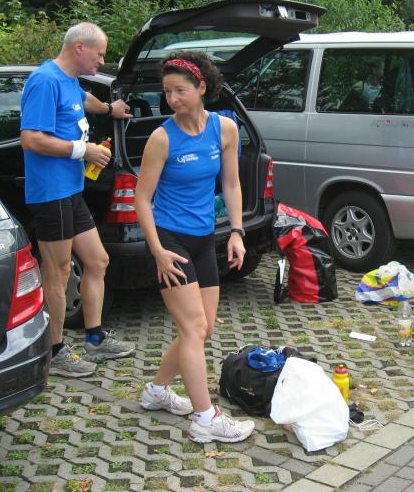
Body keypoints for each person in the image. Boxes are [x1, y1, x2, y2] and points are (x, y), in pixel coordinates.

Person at [134, 51, 255, 444]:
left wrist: (236, 232)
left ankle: (157, 391)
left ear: (202, 87)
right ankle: (205, 419)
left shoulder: (224, 129)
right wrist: (156, 250)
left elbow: (231, 184)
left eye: (180, 91)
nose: (172, 99)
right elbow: (141, 199)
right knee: (192, 329)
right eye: (167, 92)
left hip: (205, 239)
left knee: (204, 328)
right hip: (170, 241)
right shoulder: (162, 138)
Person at [20, 22, 135, 378]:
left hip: (71, 191)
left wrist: (110, 109)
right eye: (99, 54)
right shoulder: (44, 81)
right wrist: (82, 150)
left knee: (98, 261)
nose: (102, 61)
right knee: (58, 271)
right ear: (79, 47)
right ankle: (53, 351)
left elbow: (84, 101)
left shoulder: (68, 80)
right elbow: (31, 139)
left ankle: (95, 339)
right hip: (50, 193)